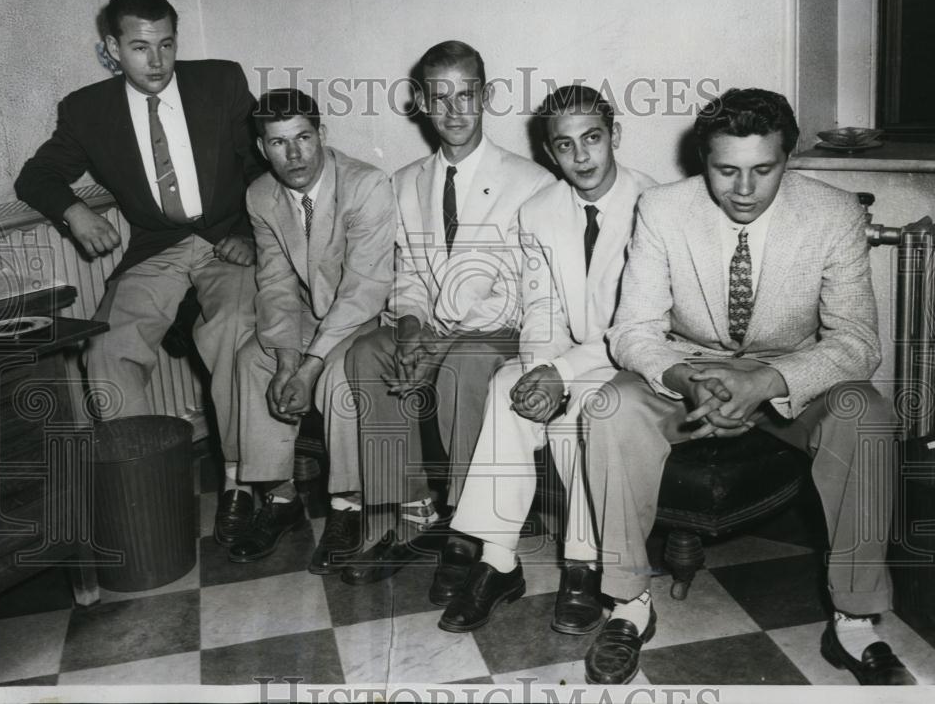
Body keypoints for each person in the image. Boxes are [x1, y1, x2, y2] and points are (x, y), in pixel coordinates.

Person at [579, 87, 915, 686]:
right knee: (609, 406)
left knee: (866, 414)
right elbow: (632, 331)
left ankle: (854, 622)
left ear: (789, 160)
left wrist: (768, 381)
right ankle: (629, 603)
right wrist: (687, 379)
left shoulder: (834, 213)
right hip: (692, 373)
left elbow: (858, 343)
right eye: (725, 170)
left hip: (792, 380)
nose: (743, 190)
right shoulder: (661, 208)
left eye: (764, 170)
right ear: (702, 160)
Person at [14, 0, 264, 541]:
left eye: (167, 45)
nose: (157, 62)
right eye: (140, 48)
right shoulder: (87, 110)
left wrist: (248, 234)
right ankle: (142, 492)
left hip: (228, 239)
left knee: (232, 332)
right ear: (111, 49)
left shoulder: (221, 82)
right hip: (157, 247)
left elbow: (260, 165)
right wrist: (75, 212)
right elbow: (35, 178)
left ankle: (240, 484)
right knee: (106, 348)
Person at [434, 85, 657, 635]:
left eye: (593, 139)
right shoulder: (538, 212)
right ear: (549, 152)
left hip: (636, 359)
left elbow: (636, 327)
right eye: (565, 145)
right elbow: (542, 310)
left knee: (585, 405)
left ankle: (581, 564)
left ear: (615, 137)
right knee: (511, 385)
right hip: (568, 356)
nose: (581, 157)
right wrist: (540, 372)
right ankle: (499, 559)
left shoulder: (655, 205)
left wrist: (562, 375)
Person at [340, 40, 552, 585]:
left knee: (467, 365)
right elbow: (407, 273)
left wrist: (437, 345)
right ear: (421, 103)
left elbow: (517, 290)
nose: (454, 112)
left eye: (466, 96)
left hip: (498, 331)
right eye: (440, 98)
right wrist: (410, 326)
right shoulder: (406, 182)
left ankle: (467, 526)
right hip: (431, 326)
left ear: (487, 97)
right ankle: (406, 512)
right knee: (368, 351)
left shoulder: (531, 182)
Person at [227, 89, 396, 567]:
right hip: (307, 316)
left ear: (322, 135)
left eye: (303, 137)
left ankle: (348, 507)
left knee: (341, 374)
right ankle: (281, 499)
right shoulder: (260, 194)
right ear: (263, 149)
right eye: (279, 143)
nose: (294, 154)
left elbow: (364, 289)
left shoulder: (367, 184)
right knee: (251, 359)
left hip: (364, 318)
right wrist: (285, 360)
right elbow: (275, 283)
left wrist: (309, 367)